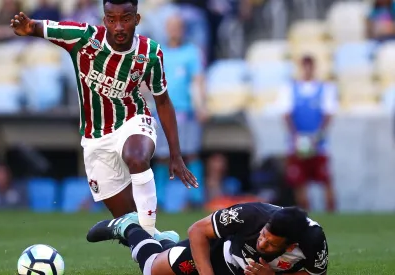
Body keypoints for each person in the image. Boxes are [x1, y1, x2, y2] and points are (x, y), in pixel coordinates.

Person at [9, 0, 198, 240]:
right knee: (129, 227)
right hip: (96, 138)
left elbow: (162, 101)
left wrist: (175, 154)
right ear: (104, 19)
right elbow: (37, 27)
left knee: (137, 158)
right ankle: (160, 243)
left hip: (133, 119)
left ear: (137, 20)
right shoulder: (82, 38)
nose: (118, 26)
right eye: (112, 19)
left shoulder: (150, 53)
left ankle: (151, 235)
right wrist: (26, 28)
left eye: (126, 19)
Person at [87, 202, 329, 275]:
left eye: (271, 244)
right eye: (264, 235)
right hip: (220, 253)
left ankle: (166, 242)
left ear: (292, 245)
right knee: (152, 270)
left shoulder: (313, 242)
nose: (262, 243)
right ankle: (129, 227)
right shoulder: (250, 215)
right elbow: (197, 230)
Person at [153, 14, 207, 209]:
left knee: (190, 153)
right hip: (160, 110)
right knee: (161, 156)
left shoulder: (192, 52)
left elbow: (198, 79)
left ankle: (195, 197)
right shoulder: (158, 51)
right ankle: (159, 199)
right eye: (172, 27)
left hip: (185, 111)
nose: (175, 31)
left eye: (178, 27)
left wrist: (201, 105)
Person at [278, 55, 337, 212]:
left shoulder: (325, 88)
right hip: (297, 143)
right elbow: (286, 114)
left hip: (318, 143)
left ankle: (331, 211)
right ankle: (305, 213)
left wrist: (318, 135)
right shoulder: (290, 89)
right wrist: (296, 136)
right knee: (300, 181)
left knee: (325, 179)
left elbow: (328, 114)